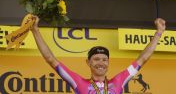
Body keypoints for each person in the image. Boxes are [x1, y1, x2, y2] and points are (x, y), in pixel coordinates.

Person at [31, 15, 166, 94]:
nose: (101, 63)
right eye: (96, 59)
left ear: (108, 62)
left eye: (104, 59)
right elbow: (50, 59)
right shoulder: (79, 83)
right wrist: (35, 30)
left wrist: (159, 33)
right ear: (88, 62)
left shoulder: (118, 82)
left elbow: (143, 58)